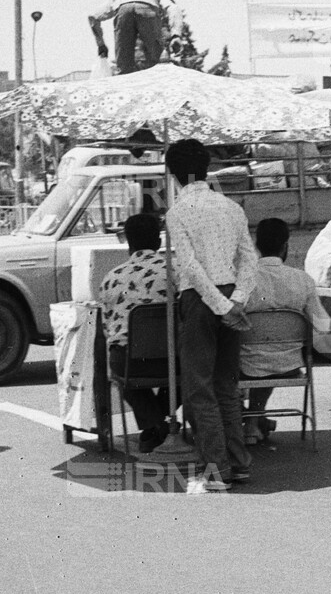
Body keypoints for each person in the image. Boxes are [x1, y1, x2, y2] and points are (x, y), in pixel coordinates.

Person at [165, 139, 258, 491]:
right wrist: (236, 300)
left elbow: (189, 265)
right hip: (232, 296)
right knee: (226, 386)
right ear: (206, 168)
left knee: (199, 388)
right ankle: (238, 462)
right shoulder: (232, 207)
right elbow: (249, 259)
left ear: (174, 175)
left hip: (200, 300)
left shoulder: (178, 212)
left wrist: (219, 304)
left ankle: (217, 469)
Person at [239, 218, 331, 445]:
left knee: (250, 361)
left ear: (256, 246)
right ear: (285, 246)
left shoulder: (243, 279)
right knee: (268, 359)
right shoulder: (303, 280)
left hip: (246, 365)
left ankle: (250, 421)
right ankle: (254, 421)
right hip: (288, 365)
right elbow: (324, 326)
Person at [100, 213, 172, 454]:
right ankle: (159, 426)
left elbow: (108, 329)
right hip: (173, 361)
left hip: (131, 364)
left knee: (121, 368)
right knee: (188, 372)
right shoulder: (176, 272)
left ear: (128, 243)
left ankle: (155, 426)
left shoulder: (111, 279)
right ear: (159, 242)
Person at [88, 0, 182, 76]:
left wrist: (101, 44)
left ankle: (125, 83)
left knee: (124, 66)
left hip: (122, 7)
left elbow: (93, 17)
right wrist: (176, 35)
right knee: (157, 61)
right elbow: (174, 8)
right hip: (148, 6)